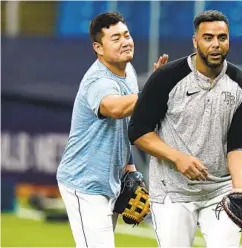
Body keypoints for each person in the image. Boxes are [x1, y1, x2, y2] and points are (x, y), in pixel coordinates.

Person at [128, 10, 242, 248]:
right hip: (172, 191)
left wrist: (240, 189)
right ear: (195, 41)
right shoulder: (166, 78)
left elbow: (240, 143)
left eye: (222, 38)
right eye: (208, 38)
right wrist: (178, 158)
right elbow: (138, 131)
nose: (216, 44)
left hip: (220, 191)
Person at [56, 12, 168, 248]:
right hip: (84, 183)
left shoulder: (128, 73)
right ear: (98, 47)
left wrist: (129, 165)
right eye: (115, 38)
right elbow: (114, 108)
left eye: (126, 35)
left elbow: (125, 124)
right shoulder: (98, 80)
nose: (125, 41)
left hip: (111, 182)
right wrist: (153, 91)